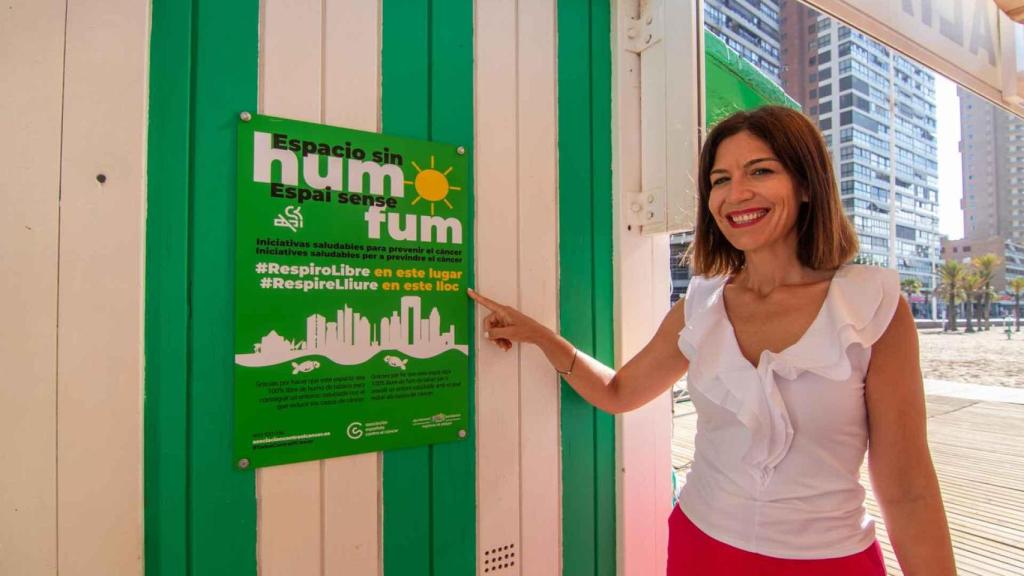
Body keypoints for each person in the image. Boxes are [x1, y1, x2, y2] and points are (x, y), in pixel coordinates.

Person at [468, 106, 956, 575]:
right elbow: (619, 393)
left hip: (829, 560)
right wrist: (541, 337)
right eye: (720, 180)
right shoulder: (698, 306)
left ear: (807, 185)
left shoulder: (870, 305)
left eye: (760, 172)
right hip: (701, 546)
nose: (735, 193)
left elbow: (908, 488)